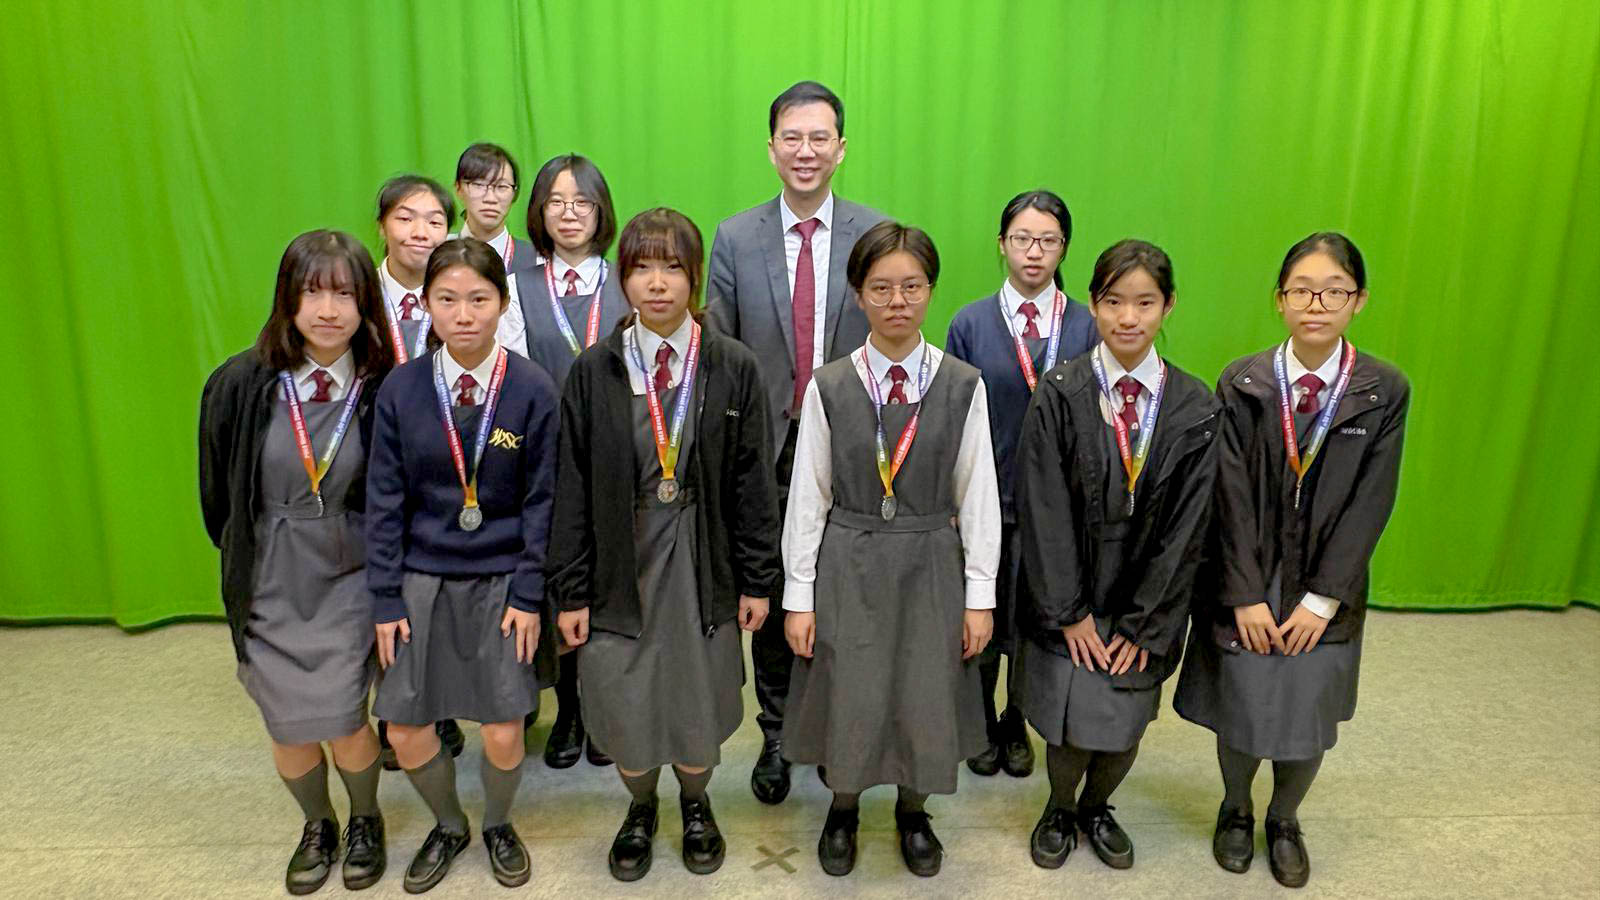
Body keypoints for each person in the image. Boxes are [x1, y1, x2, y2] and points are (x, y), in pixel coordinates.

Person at [547, 208, 782, 881]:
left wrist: (758, 580)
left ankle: (696, 803)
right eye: (642, 268)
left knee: (696, 696)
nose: (657, 283)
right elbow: (571, 488)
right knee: (624, 697)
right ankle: (641, 806)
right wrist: (570, 590)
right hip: (620, 564)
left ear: (694, 276)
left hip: (703, 561)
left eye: (673, 267)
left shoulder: (732, 365)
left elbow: (753, 484)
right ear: (622, 278)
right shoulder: (593, 371)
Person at [1174, 232, 1410, 889]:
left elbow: (1372, 501)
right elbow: (1227, 494)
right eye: (1302, 290)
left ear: (1358, 301)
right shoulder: (1244, 381)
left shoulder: (1383, 388)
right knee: (1243, 702)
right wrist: (1245, 594)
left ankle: (1283, 819)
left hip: (1323, 586)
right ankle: (1235, 808)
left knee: (1307, 715)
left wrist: (1323, 599)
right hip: (1248, 575)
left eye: (1334, 291)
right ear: (1280, 300)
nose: (1317, 305)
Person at [781, 221, 999, 877]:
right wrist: (798, 596)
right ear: (858, 294)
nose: (897, 300)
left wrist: (980, 597)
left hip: (931, 563)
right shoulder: (829, 385)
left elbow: (979, 494)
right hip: (849, 563)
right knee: (851, 692)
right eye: (881, 287)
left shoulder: (962, 384)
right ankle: (843, 808)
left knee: (923, 695)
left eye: (912, 286)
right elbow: (808, 496)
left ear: (930, 290)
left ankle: (913, 810)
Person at [704, 80, 888, 804]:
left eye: (819, 138)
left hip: (855, 447)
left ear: (840, 148)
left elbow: (893, 337)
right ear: (772, 148)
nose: (805, 150)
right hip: (767, 448)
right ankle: (777, 732)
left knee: (848, 596)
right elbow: (721, 350)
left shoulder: (876, 232)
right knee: (778, 595)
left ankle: (840, 728)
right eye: (792, 137)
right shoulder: (734, 236)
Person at [1013, 239, 1220, 872]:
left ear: (1168, 305)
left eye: (1145, 303)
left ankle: (1097, 807)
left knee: (1124, 720)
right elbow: (1042, 507)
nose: (1128, 318)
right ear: (1093, 305)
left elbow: (1189, 527)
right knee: (1070, 722)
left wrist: (1143, 623)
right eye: (1113, 301)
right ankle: (1059, 806)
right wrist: (1069, 612)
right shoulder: (1061, 391)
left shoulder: (1194, 405)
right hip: (1072, 597)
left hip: (1143, 600)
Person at [198, 230, 395, 894]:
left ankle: (365, 818)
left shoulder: (385, 386)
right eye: (313, 292)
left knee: (345, 716)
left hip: (351, 573)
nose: (329, 310)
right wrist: (247, 556)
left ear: (365, 303)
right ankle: (318, 824)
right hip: (271, 576)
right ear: (288, 298)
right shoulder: (238, 383)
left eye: (344, 294)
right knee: (286, 723)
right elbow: (218, 496)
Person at [365, 238, 561, 893]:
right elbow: (384, 500)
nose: (464, 314)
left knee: (504, 731)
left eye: (479, 298)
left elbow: (543, 501)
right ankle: (449, 825)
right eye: (447, 299)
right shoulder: (401, 389)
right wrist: (385, 597)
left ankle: (498, 823)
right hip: (421, 581)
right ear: (426, 305)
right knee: (405, 729)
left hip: (504, 580)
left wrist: (528, 594)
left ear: (502, 304)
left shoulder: (532, 389)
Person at [945, 189, 1096, 778]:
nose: (1034, 252)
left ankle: (1016, 719)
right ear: (1002, 245)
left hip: (1058, 509)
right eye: (1022, 239)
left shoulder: (1086, 325)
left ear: (1064, 248)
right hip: (989, 499)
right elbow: (952, 417)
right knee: (982, 612)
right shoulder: (970, 323)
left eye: (1048, 240)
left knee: (1034, 624)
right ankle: (980, 718)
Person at [371, 175, 466, 765]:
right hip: (371, 470)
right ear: (382, 224)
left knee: (439, 595)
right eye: (406, 218)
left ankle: (442, 707)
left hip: (445, 470)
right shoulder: (356, 299)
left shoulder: (458, 297)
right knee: (386, 591)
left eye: (434, 221)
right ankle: (395, 712)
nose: (420, 232)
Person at [451, 142, 537, 358]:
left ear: (514, 194)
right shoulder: (439, 255)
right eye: (478, 185)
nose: (490, 198)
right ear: (458, 188)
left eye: (501, 187)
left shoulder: (536, 260)